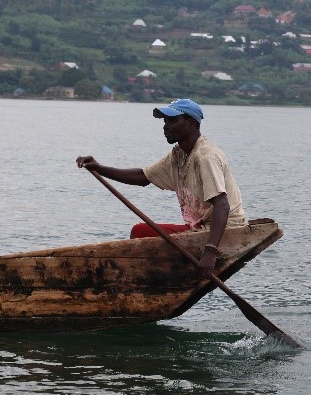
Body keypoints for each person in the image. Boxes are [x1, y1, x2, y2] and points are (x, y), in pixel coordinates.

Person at [76, 98, 246, 278]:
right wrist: (99, 168)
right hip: (200, 227)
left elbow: (222, 205)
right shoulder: (178, 155)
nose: (165, 126)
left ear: (191, 123)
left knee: (140, 233)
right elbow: (143, 177)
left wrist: (210, 253)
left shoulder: (205, 157)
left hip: (225, 230)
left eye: (172, 121)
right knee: (140, 232)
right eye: (165, 121)